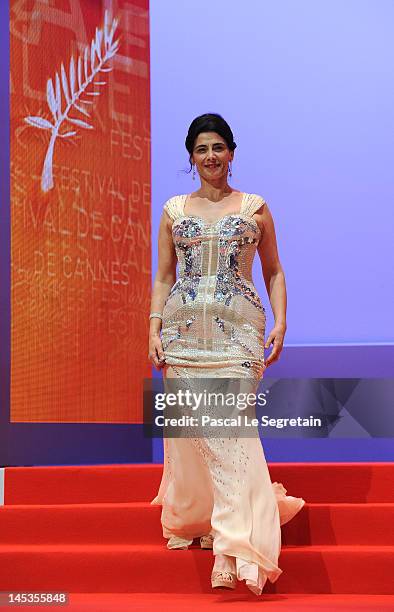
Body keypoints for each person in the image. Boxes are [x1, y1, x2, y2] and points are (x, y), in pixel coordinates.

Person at [149, 113, 305, 595]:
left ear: (232, 153)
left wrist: (280, 322)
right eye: (201, 149)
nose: (211, 156)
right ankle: (201, 518)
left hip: (239, 335)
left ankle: (233, 545)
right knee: (194, 435)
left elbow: (274, 271)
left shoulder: (255, 207)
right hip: (182, 334)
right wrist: (153, 327)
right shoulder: (175, 209)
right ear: (191, 156)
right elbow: (163, 276)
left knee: (231, 433)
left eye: (219, 147)